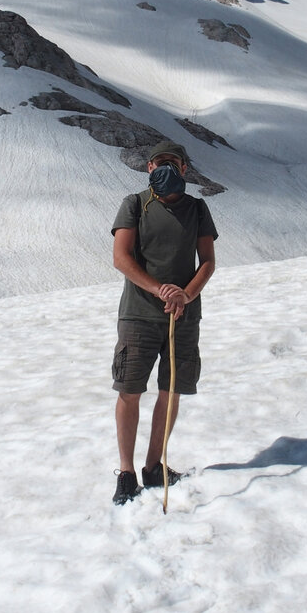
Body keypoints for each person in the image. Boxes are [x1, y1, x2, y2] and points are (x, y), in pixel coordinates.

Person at [109, 141, 218, 505]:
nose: (167, 168)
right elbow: (121, 258)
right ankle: (126, 472)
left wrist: (185, 295)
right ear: (149, 168)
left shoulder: (197, 209)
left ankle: (155, 466)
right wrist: (160, 290)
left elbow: (207, 262)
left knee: (171, 390)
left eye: (175, 163)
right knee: (130, 389)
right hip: (139, 314)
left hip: (183, 316)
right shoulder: (135, 205)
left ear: (185, 169)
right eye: (161, 163)